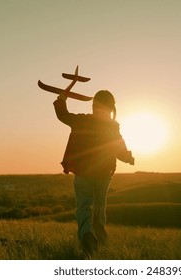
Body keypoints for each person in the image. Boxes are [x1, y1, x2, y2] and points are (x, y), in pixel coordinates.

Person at [53, 89, 134, 256]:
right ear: (111, 108)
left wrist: (61, 99)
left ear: (93, 105)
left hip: (83, 172)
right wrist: (128, 157)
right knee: (99, 207)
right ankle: (101, 238)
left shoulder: (82, 120)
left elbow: (63, 115)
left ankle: (87, 236)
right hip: (104, 174)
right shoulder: (112, 126)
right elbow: (119, 148)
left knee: (84, 207)